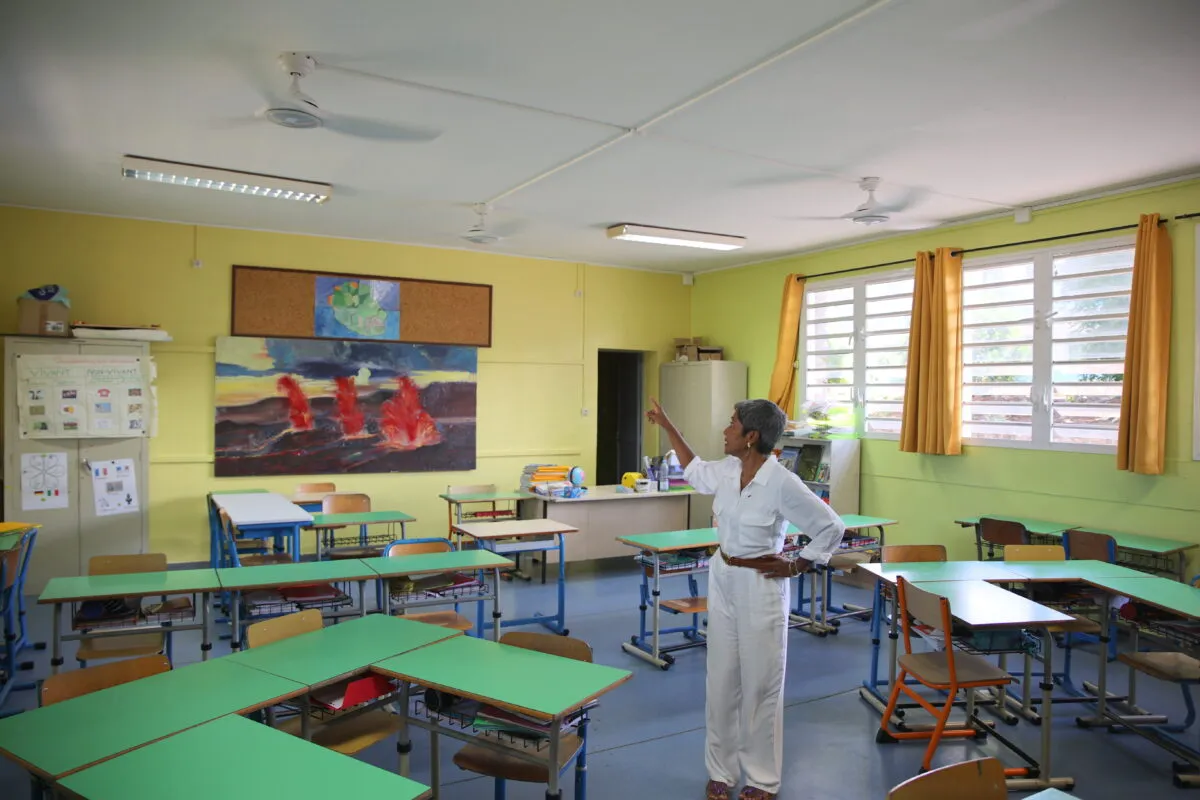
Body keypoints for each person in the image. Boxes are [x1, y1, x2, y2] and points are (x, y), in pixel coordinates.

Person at [647, 397, 845, 800]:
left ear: (751, 436)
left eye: (732, 424)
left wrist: (797, 564)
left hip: (761, 586)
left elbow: (830, 527)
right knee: (720, 681)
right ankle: (720, 770)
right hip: (723, 577)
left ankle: (762, 779)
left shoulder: (782, 483)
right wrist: (668, 426)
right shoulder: (727, 470)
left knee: (761, 685)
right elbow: (693, 468)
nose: (725, 430)